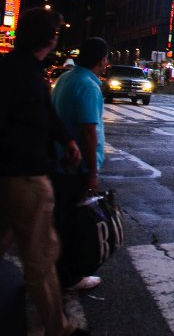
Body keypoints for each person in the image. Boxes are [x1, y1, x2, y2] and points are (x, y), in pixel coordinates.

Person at [0, 8, 88, 336]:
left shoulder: (21, 69)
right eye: (55, 32)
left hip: (14, 175)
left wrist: (66, 140)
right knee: (41, 255)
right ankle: (58, 327)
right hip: (26, 177)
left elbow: (46, 115)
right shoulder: (22, 73)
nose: (57, 38)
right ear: (48, 38)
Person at [51, 36, 109, 292]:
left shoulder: (66, 78)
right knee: (73, 225)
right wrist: (92, 172)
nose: (106, 63)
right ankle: (70, 276)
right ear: (101, 60)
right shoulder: (88, 85)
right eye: (106, 58)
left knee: (60, 221)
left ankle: (54, 272)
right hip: (76, 167)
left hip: (59, 162)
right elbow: (88, 131)